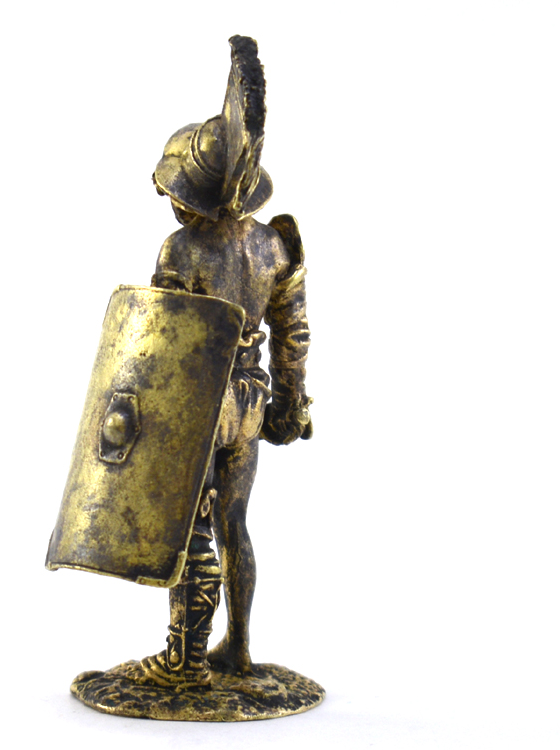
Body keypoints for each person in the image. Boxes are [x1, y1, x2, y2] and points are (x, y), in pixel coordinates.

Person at [132, 35, 312, 689]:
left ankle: (185, 657)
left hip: (204, 400)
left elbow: (159, 346)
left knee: (190, 523)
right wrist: (291, 402)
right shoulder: (272, 248)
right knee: (233, 522)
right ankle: (236, 646)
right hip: (252, 397)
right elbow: (293, 333)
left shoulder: (181, 251)